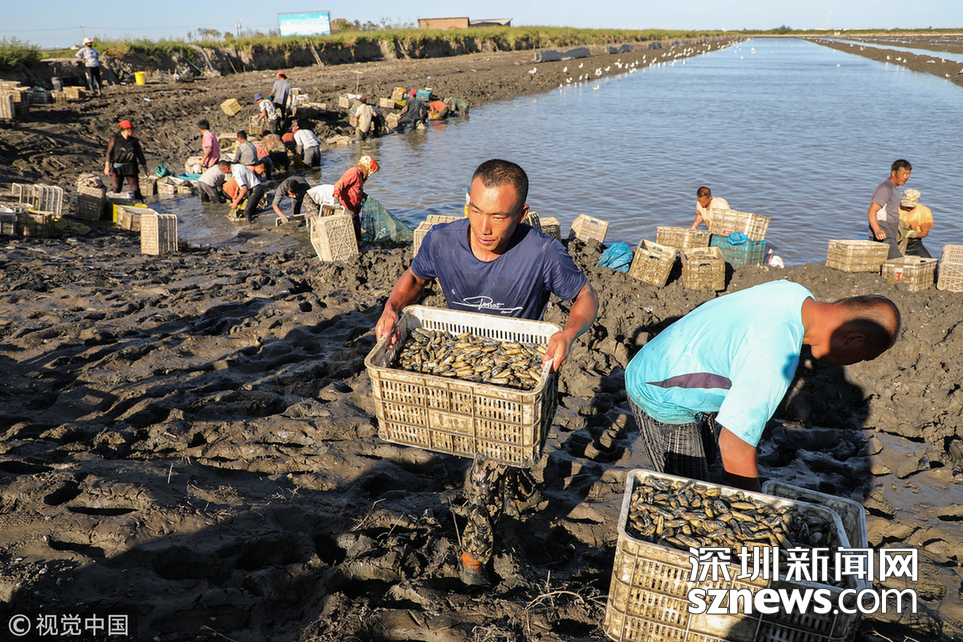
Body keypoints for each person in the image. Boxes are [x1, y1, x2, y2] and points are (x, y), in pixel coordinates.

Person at [375, 159, 599, 587]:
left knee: (481, 473)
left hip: (517, 381)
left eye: (498, 216)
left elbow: (585, 296)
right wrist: (392, 307)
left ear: (522, 213)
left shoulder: (543, 252)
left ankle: (473, 563)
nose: (483, 227)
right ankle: (525, 492)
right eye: (476, 210)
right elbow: (415, 278)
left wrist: (568, 333)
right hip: (463, 366)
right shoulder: (441, 241)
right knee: (497, 455)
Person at [624, 280, 900, 492]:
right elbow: (733, 446)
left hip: (683, 361)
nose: (856, 363)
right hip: (659, 390)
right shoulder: (772, 356)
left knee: (705, 463)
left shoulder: (795, 294)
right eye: (864, 357)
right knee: (688, 493)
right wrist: (755, 506)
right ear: (853, 339)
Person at [867, 159, 912, 260]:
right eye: (903, 174)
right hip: (883, 235)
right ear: (893, 173)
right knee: (898, 262)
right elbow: (871, 212)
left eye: (908, 174)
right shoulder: (886, 188)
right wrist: (877, 230)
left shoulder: (894, 187)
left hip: (890, 234)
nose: (906, 177)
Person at [333, 156, 379, 242]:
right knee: (349, 234)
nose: (369, 174)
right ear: (366, 167)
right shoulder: (354, 172)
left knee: (357, 235)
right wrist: (336, 198)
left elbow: (355, 189)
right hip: (346, 208)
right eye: (369, 171)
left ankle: (357, 246)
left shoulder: (361, 177)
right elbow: (339, 184)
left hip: (354, 211)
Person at [104, 120, 149, 200]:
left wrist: (146, 169)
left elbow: (140, 155)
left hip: (131, 167)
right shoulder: (115, 139)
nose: (133, 131)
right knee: (116, 189)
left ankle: (140, 203)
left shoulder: (134, 141)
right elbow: (109, 153)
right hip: (118, 167)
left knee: (135, 190)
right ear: (127, 129)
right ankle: (114, 204)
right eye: (132, 129)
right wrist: (107, 167)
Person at [896, 189, 933, 259]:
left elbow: (925, 232)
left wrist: (914, 235)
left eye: (910, 206)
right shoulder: (894, 208)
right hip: (897, 242)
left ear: (918, 200)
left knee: (929, 260)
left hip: (914, 244)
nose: (908, 208)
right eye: (906, 206)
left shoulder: (924, 211)